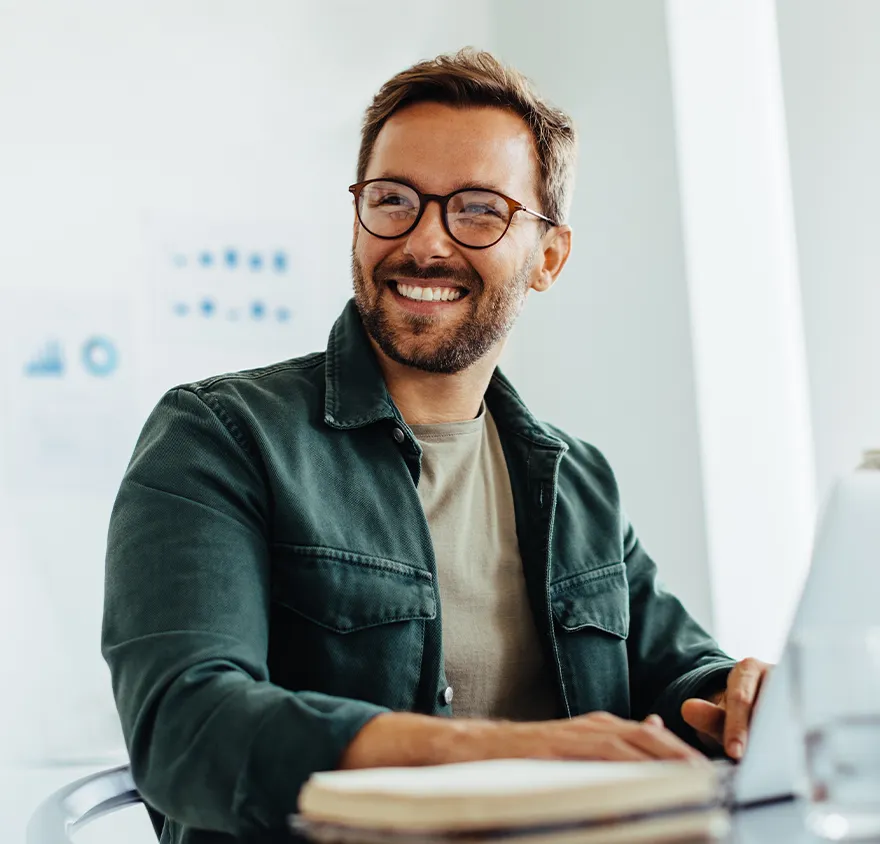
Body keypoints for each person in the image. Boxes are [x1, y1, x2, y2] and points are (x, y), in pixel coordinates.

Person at [102, 48, 769, 843]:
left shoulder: (575, 479)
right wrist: (503, 753)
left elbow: (675, 672)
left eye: (480, 210)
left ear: (548, 257)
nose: (425, 242)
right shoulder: (219, 435)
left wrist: (742, 696)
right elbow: (186, 727)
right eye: (393, 200)